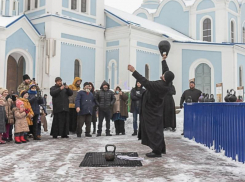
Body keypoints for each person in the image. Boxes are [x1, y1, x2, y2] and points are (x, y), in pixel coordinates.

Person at [128, 64, 175, 158]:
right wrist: (163, 60)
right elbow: (167, 73)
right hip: (155, 109)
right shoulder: (167, 83)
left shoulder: (160, 86)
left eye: (164, 74)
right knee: (157, 129)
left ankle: (156, 151)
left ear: (165, 78)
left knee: (153, 130)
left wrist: (134, 71)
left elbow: (146, 83)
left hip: (152, 110)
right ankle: (160, 148)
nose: (163, 74)